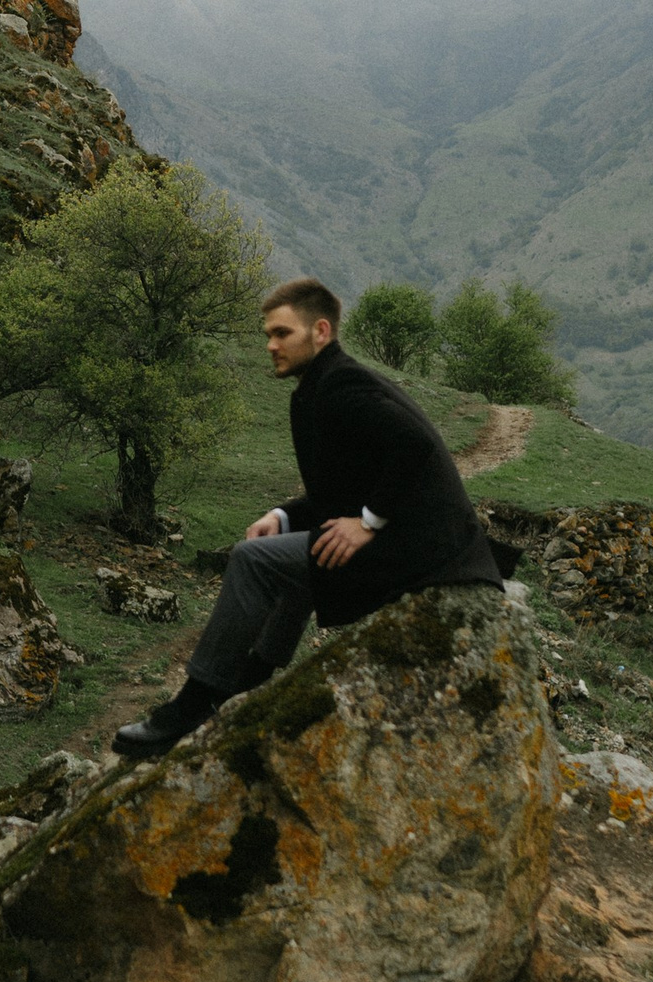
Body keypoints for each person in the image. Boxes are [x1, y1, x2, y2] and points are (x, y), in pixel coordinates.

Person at [113, 277, 501, 757]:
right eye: (268, 335)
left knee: (252, 560)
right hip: (418, 542)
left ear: (320, 331)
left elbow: (415, 446)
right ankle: (249, 684)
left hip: (424, 553)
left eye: (282, 334)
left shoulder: (341, 384)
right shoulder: (320, 386)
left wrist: (368, 522)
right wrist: (282, 515)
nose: (271, 346)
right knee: (286, 554)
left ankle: (190, 707)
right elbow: (339, 489)